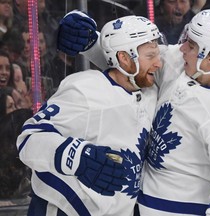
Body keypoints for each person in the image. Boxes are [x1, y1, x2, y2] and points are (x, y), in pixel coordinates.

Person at [57, 9, 210, 215]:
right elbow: (131, 67)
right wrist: (89, 41)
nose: (181, 48)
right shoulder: (180, 63)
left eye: (191, 46)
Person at [16, 12, 163, 216]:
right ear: (124, 57)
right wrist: (78, 157)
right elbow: (29, 140)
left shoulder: (149, 93)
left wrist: (94, 44)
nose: (159, 63)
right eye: (150, 56)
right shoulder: (86, 90)